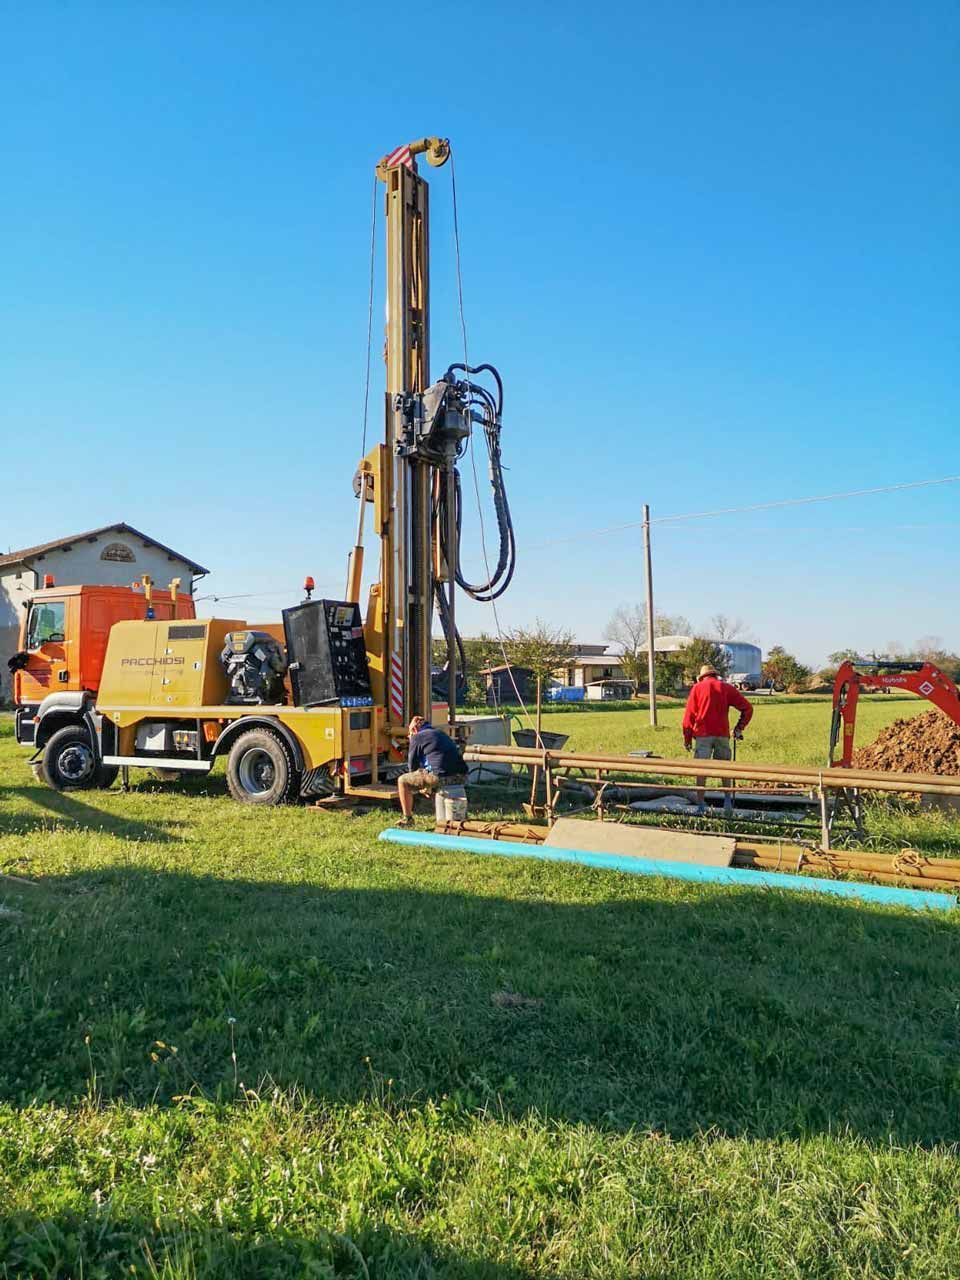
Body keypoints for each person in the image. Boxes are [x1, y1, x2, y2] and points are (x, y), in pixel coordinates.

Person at [682, 663, 753, 814]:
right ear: (715, 675)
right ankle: (727, 802)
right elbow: (748, 708)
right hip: (722, 734)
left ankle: (701, 805)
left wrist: (687, 739)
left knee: (701, 770)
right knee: (725, 769)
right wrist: (739, 728)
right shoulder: (726, 688)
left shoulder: (697, 689)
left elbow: (689, 717)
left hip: (702, 736)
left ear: (701, 677)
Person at [395, 715, 467, 826]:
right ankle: (451, 817)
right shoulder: (440, 733)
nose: (410, 736)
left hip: (440, 777)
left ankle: (407, 818)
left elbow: (412, 767)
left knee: (402, 781)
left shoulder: (417, 736)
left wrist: (422, 787)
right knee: (432, 781)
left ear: (414, 729)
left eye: (410, 732)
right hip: (461, 775)